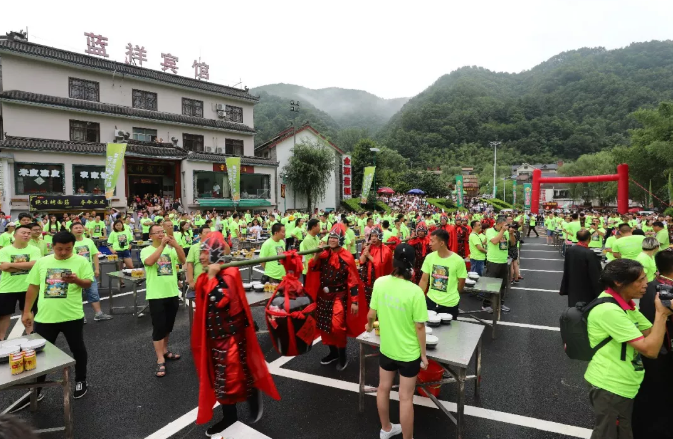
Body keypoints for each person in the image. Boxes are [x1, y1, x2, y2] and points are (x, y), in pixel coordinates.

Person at [191, 233, 279, 436]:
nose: (201, 257)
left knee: (229, 378)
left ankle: (244, 402)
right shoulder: (208, 275)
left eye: (204, 252)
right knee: (221, 379)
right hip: (215, 337)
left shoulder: (229, 274)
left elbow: (220, 300)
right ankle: (233, 413)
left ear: (214, 254)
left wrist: (212, 278)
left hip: (230, 337)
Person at [584, 259, 672, 439]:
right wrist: (662, 314)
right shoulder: (608, 310)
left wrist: (663, 313)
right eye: (639, 280)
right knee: (609, 434)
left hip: (624, 384)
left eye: (646, 278)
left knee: (622, 432)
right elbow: (651, 350)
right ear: (618, 282)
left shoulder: (626, 305)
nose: (646, 283)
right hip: (611, 386)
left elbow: (651, 333)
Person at [21, 231, 94, 406]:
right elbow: (33, 287)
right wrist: (26, 311)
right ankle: (36, 390)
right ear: (52, 246)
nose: (63, 252)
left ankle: (81, 381)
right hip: (45, 317)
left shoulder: (81, 261)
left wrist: (76, 280)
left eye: (67, 249)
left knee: (77, 349)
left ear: (72, 247)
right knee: (40, 354)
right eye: (59, 249)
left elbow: (88, 283)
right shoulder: (42, 262)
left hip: (72, 316)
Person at [366, 243, 429, 439]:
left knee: (383, 388)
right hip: (409, 353)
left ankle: (385, 429)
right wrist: (424, 355)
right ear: (412, 264)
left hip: (387, 348)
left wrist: (369, 327)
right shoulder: (415, 291)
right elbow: (419, 327)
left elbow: (371, 315)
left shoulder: (380, 282)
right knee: (405, 398)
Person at [305, 224, 366, 371]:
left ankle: (342, 355)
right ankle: (332, 353)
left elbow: (353, 280)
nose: (332, 240)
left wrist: (355, 301)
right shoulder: (324, 254)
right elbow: (313, 267)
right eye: (330, 237)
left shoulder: (347, 257)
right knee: (324, 326)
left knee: (337, 327)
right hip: (323, 296)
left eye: (335, 238)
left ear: (341, 240)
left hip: (339, 296)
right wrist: (317, 255)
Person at [632, 248, 673, 439]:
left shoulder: (649, 286)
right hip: (665, 352)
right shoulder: (669, 293)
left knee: (651, 396)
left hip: (650, 348)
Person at [141, 224, 186, 377]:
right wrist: (161, 246)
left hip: (172, 292)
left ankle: (165, 350)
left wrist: (176, 245)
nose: (161, 234)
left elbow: (183, 260)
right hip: (156, 295)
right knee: (158, 327)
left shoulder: (170, 250)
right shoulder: (145, 250)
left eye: (162, 232)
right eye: (157, 232)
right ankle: (160, 359)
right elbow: (149, 262)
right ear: (150, 236)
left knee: (168, 326)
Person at [0, 225, 42, 340]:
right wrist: (26, 266)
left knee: (28, 312)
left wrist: (11, 265)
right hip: (7, 288)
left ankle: (32, 337)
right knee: (3, 315)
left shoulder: (35, 249)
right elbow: (4, 268)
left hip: (29, 287)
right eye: (23, 232)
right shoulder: (4, 250)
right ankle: (1, 339)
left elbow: (34, 265)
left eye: (28, 233)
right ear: (14, 235)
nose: (26, 235)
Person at [419, 229, 467, 320]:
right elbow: (424, 280)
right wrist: (419, 297)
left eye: (432, 241)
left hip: (450, 304)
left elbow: (461, 283)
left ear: (441, 243)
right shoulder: (429, 257)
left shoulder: (458, 260)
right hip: (431, 302)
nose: (429, 243)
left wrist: (452, 294)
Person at [71, 223, 112, 323]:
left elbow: (94, 255)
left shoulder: (89, 241)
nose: (78, 229)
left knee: (94, 293)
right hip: (74, 274)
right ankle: (80, 316)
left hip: (88, 273)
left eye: (80, 227)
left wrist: (97, 269)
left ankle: (98, 314)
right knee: (76, 296)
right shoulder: (69, 243)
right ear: (71, 230)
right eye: (76, 228)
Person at [559, 229, 602, 306]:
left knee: (573, 305)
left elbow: (566, 268)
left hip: (572, 282)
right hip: (586, 286)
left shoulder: (570, 250)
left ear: (577, 237)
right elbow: (595, 273)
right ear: (589, 238)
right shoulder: (589, 253)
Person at [482, 216, 514, 313]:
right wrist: (503, 231)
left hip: (503, 261)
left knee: (503, 284)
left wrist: (511, 234)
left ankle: (500, 303)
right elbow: (495, 241)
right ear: (499, 224)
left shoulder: (506, 232)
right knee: (490, 284)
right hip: (493, 261)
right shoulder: (489, 231)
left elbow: (512, 243)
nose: (506, 227)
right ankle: (486, 305)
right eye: (505, 225)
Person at [359, 228, 393, 305]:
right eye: (372, 236)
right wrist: (366, 249)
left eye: (376, 236)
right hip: (367, 281)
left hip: (379, 280)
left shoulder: (385, 250)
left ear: (380, 237)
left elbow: (380, 264)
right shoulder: (368, 247)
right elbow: (361, 261)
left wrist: (369, 255)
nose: (373, 238)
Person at [299, 219, 320, 283]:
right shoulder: (308, 239)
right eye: (318, 226)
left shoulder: (316, 237)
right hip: (309, 270)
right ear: (313, 227)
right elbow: (316, 253)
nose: (320, 228)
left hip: (315, 268)